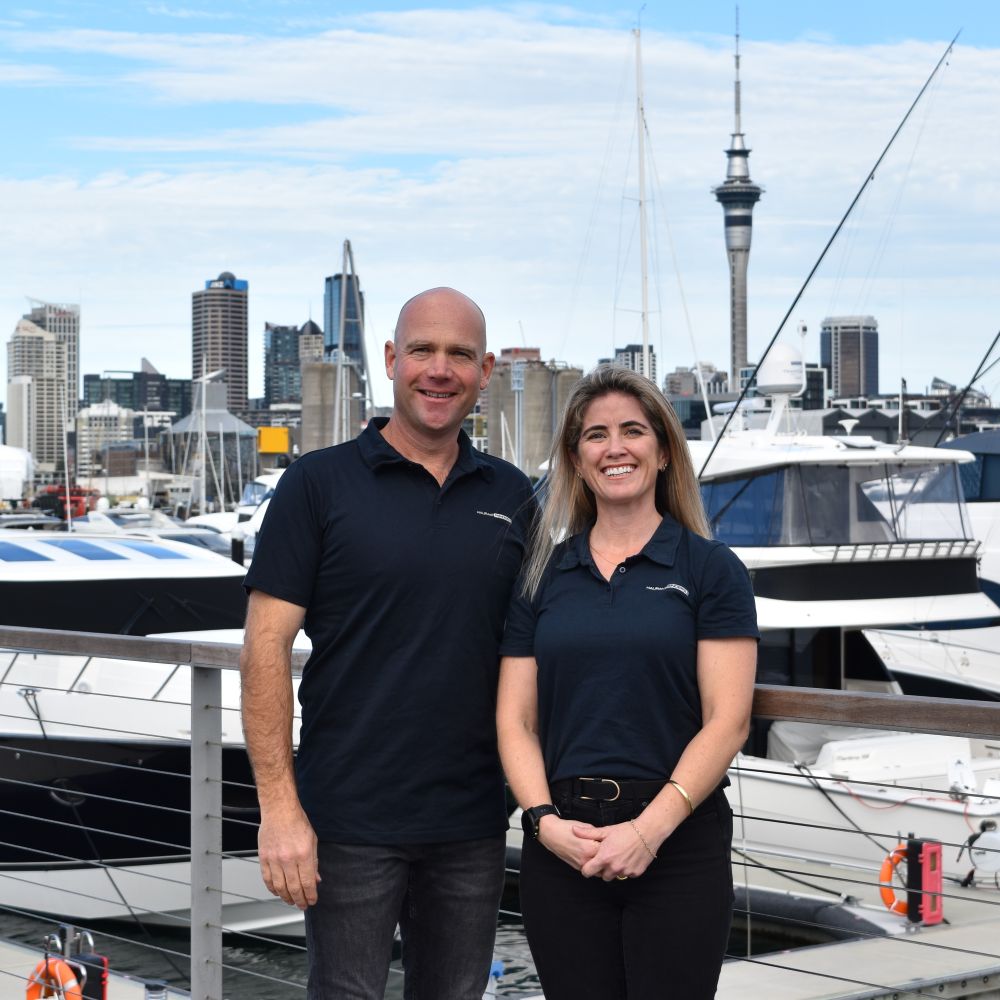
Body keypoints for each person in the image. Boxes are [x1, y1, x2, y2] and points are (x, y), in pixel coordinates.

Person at [240, 287, 535, 1000]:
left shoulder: (516, 493)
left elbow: (536, 651)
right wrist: (281, 810)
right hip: (348, 820)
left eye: (459, 354)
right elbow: (265, 647)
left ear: (485, 369)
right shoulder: (318, 483)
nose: (440, 370)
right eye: (423, 351)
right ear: (391, 359)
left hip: (470, 820)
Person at [496, 364, 758, 1000]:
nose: (615, 448)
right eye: (596, 435)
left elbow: (729, 720)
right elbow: (515, 720)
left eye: (633, 431)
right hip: (564, 845)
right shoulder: (544, 575)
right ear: (577, 460)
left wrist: (649, 830)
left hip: (678, 842)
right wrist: (542, 823)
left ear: (664, 451)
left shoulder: (711, 569)